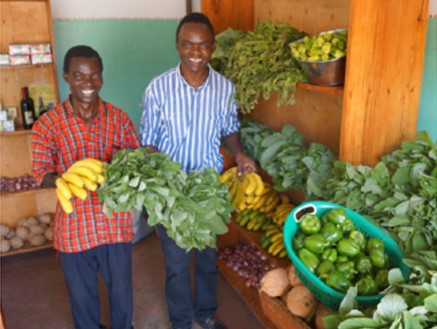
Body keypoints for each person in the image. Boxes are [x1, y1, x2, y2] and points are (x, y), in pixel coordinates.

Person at [139, 12, 257, 329]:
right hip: (171, 192)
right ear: (178, 45)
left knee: (206, 259)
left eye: (203, 45)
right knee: (177, 264)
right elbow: (148, 140)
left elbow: (229, 129)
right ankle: (180, 320)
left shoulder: (224, 88)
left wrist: (240, 153)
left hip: (208, 190)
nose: (196, 52)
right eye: (188, 45)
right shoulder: (158, 89)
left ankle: (205, 314)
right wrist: (158, 181)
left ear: (213, 47)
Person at [32, 45, 139, 329]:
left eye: (94, 75)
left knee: (122, 296)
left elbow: (135, 163)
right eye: (79, 75)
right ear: (66, 76)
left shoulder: (120, 120)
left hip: (114, 223)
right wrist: (63, 179)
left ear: (102, 77)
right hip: (73, 226)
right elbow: (40, 173)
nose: (88, 83)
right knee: (83, 300)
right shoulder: (48, 124)